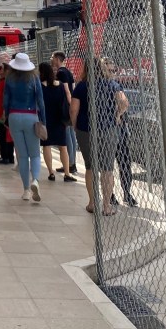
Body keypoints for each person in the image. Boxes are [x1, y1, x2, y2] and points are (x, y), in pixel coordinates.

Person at [70, 59, 129, 215]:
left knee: (90, 167)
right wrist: (117, 115)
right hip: (108, 128)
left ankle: (92, 203)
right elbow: (124, 102)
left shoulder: (81, 86)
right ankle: (106, 206)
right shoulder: (112, 84)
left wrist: (75, 125)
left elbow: (73, 109)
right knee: (107, 168)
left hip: (85, 129)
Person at [3, 51, 46, 202]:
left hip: (14, 116)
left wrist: (6, 116)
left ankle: (26, 190)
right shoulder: (34, 78)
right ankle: (35, 180)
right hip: (30, 116)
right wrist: (43, 121)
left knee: (22, 156)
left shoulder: (9, 79)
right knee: (35, 154)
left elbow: (6, 100)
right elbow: (40, 101)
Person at [102, 59, 137, 207]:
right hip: (112, 128)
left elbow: (124, 103)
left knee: (122, 162)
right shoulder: (109, 85)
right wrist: (118, 114)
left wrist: (118, 114)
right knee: (109, 165)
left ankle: (126, 193)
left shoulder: (112, 85)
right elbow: (123, 103)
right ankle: (112, 195)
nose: (112, 74)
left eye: (114, 70)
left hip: (115, 129)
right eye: (109, 70)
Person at [38, 62, 76, 182]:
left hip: (45, 119)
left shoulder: (40, 86)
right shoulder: (60, 85)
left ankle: (51, 173)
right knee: (63, 146)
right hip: (59, 119)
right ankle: (67, 173)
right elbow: (65, 99)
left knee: (47, 145)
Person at [51, 50, 78, 174]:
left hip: (65, 107)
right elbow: (72, 89)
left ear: (57, 59)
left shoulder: (61, 73)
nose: (51, 60)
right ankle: (72, 162)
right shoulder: (68, 72)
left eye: (52, 57)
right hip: (70, 105)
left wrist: (69, 106)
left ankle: (70, 163)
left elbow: (67, 91)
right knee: (71, 135)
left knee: (67, 136)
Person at [0, 62, 15, 164]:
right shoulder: (2, 82)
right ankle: (8, 156)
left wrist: (4, 113)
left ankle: (6, 156)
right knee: (5, 135)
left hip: (4, 113)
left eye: (1, 68)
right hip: (1, 111)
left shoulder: (6, 82)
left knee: (3, 135)